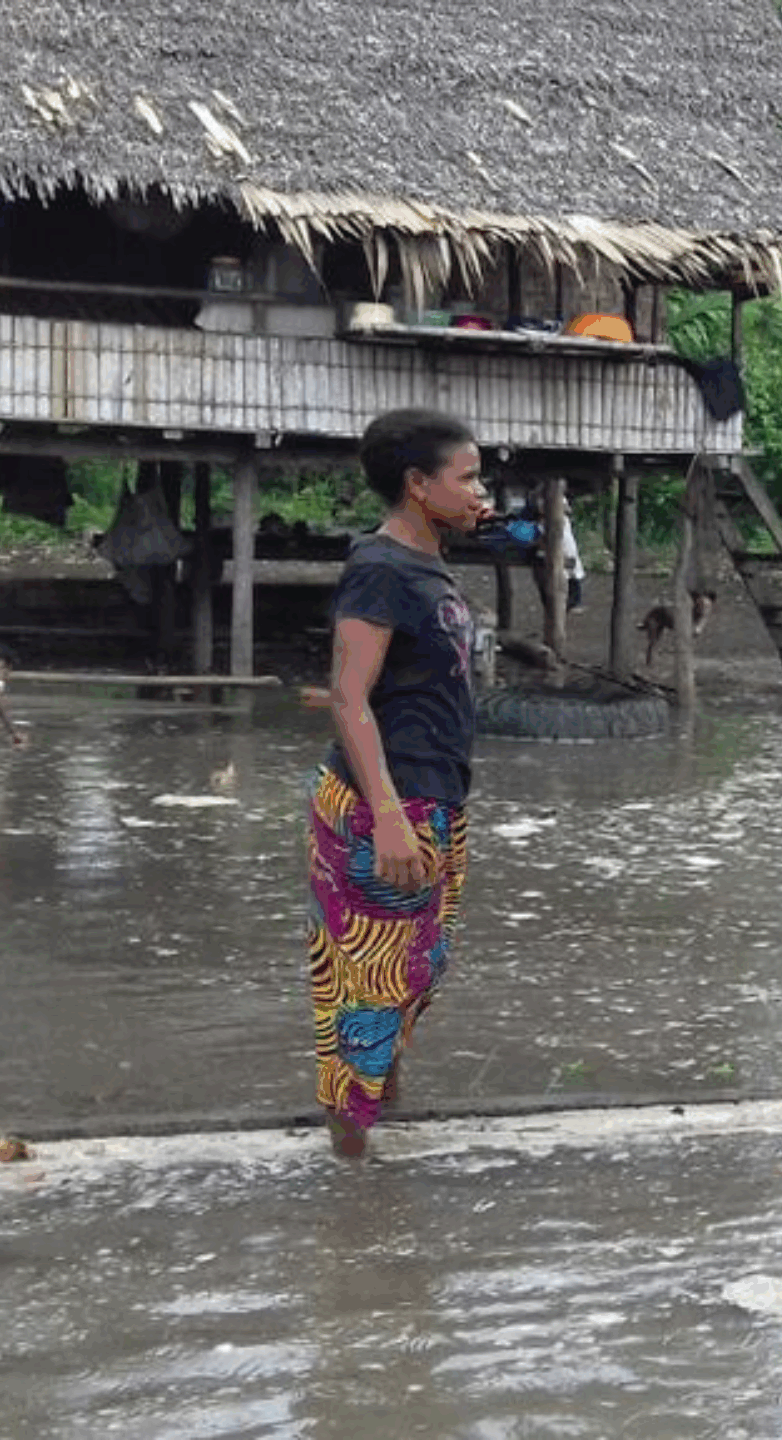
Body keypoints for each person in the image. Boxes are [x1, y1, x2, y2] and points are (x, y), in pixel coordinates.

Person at [307, 407, 490, 1158]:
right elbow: (350, 698)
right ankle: (350, 1168)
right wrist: (387, 816)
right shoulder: (380, 569)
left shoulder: (426, 565)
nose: (483, 491)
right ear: (418, 485)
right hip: (388, 805)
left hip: (431, 800)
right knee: (372, 991)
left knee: (415, 970)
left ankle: (368, 1136)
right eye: (468, 477)